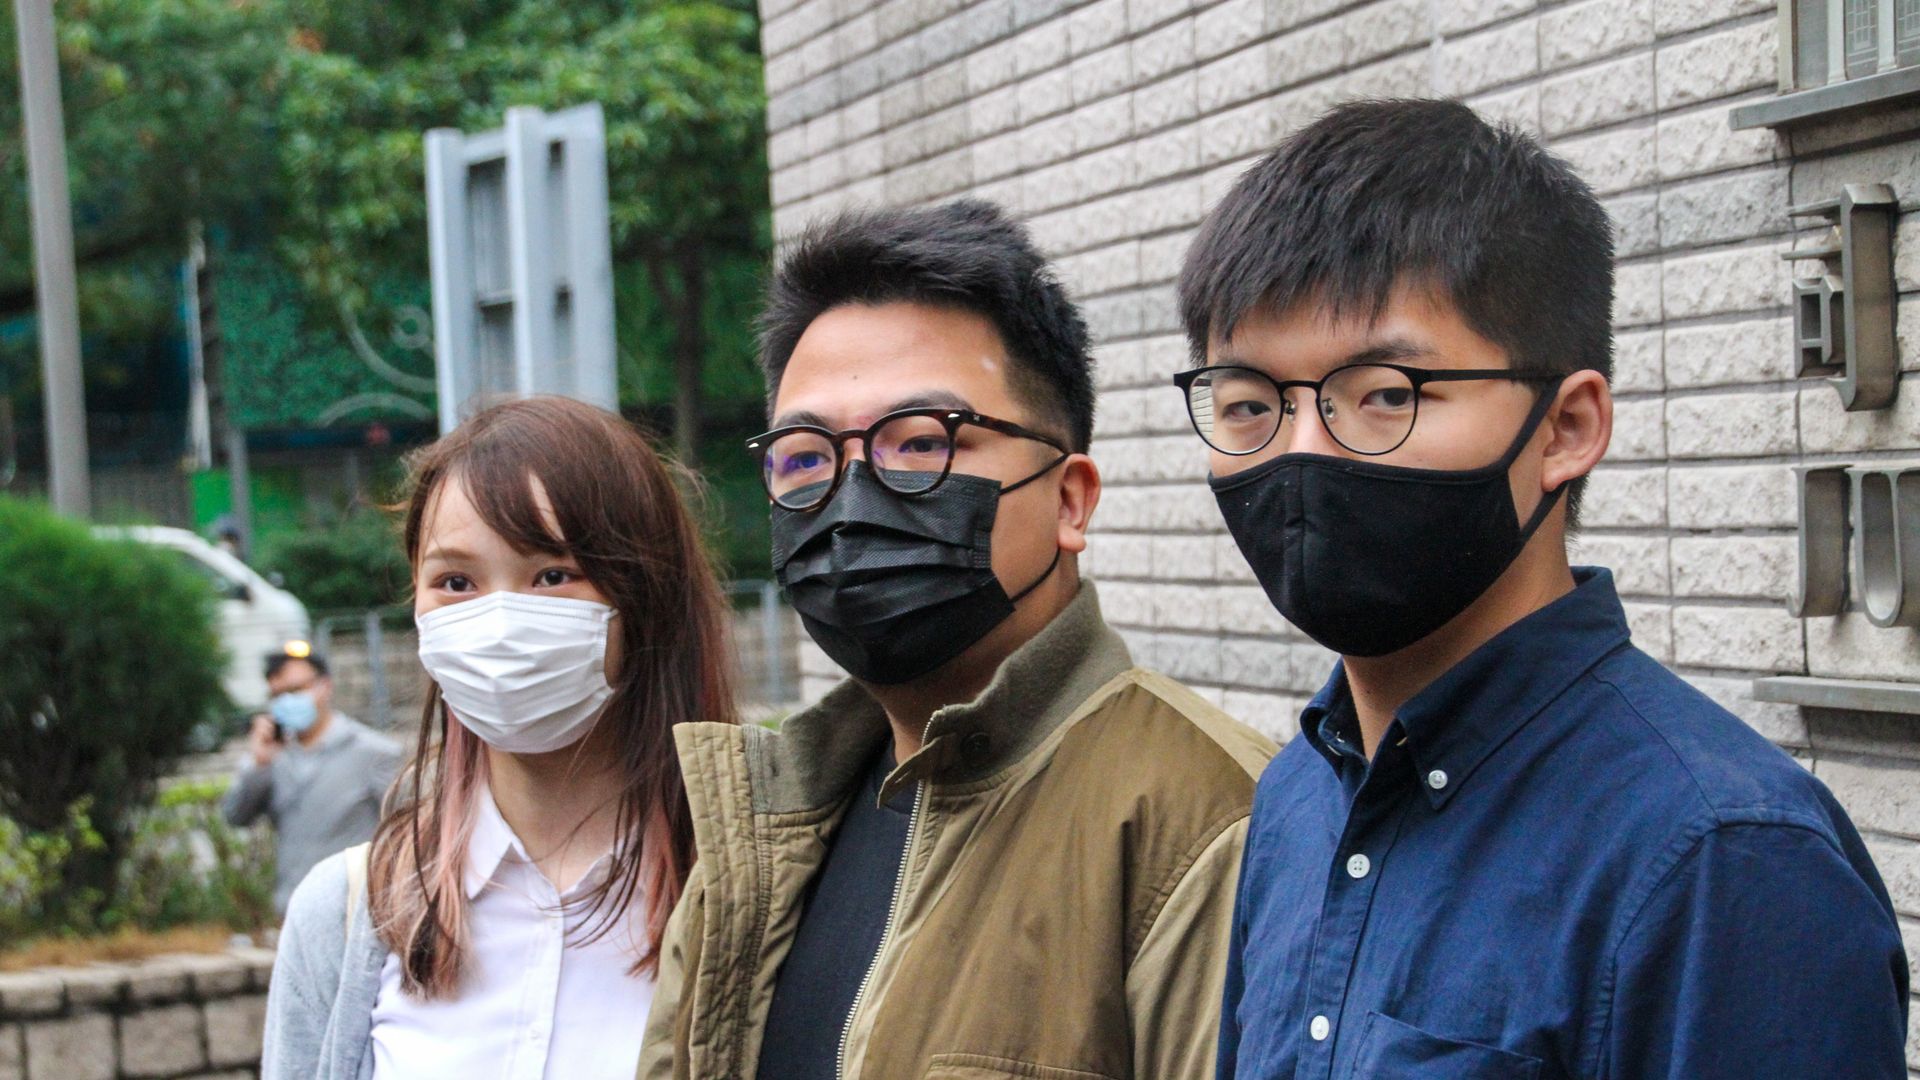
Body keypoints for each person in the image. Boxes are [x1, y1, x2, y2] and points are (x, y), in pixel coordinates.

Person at [1178, 98, 1909, 1078]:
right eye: (1249, 404)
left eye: (1386, 394)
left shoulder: (1721, 856)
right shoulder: (1298, 796)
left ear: (1566, 428)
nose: (1303, 449)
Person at [640, 199, 1275, 1080]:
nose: (854, 496)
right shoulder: (765, 820)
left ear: (1069, 499)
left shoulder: (1210, 820)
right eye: (807, 458)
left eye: (920, 442)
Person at [261, 397, 737, 1080]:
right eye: (455, 582)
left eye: (552, 575)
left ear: (646, 599)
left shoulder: (751, 902)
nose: (500, 619)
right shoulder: (345, 918)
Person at [222, 643, 402, 914]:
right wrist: (259, 764)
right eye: (277, 695)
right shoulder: (272, 756)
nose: (287, 701)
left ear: (324, 686)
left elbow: (406, 830)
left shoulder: (373, 753)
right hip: (294, 908)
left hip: (358, 909)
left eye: (296, 690)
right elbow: (235, 816)